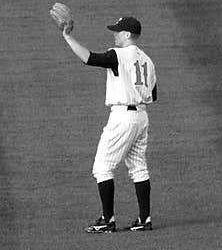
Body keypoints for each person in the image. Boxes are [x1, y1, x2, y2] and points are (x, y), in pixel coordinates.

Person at [59, 15, 158, 233]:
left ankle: (107, 219)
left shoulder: (118, 54)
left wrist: (67, 36)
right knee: (138, 167)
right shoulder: (148, 61)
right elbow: (153, 95)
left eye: (117, 31)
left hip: (122, 117)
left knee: (102, 167)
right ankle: (144, 218)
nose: (114, 34)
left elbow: (89, 58)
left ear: (127, 34)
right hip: (141, 117)